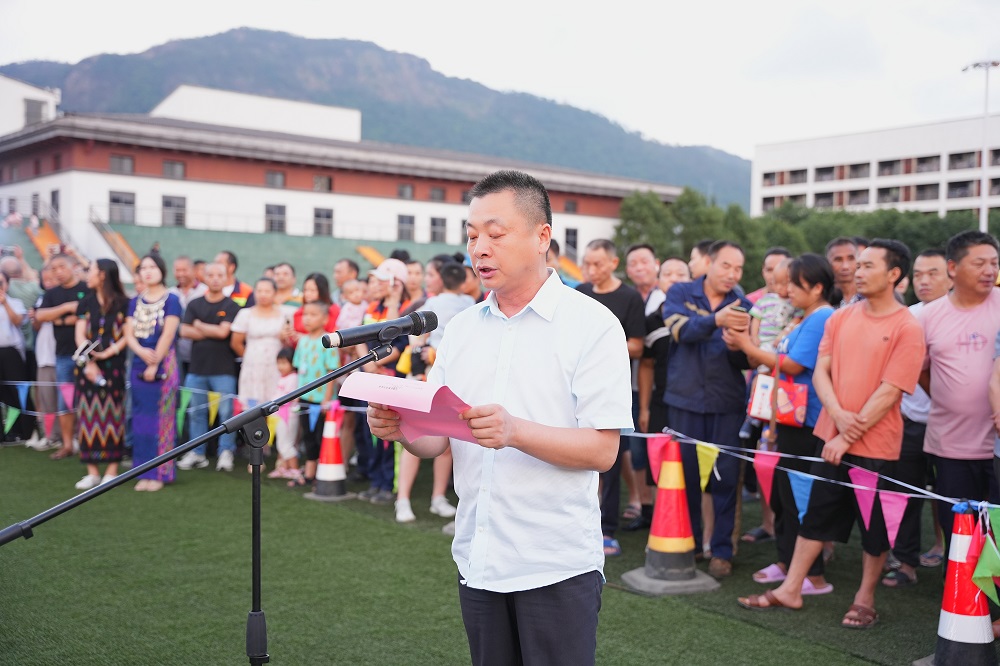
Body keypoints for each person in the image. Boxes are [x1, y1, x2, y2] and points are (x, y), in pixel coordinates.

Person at [368, 170, 632, 666]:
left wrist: (515, 431)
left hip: (554, 563)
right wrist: (403, 429)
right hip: (478, 554)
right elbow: (438, 440)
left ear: (542, 236)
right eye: (472, 236)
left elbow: (602, 450)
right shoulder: (461, 328)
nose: (480, 249)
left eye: (495, 233)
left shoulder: (593, 325)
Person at [738, 240, 925, 630]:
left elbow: (891, 390)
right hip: (831, 436)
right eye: (858, 264)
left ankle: (864, 598)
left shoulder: (907, 325)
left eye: (868, 265)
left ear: (894, 274)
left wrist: (846, 433)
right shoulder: (840, 317)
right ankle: (792, 588)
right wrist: (837, 417)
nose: (858, 271)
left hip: (876, 445)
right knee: (816, 515)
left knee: (874, 527)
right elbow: (821, 371)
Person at [723, 254, 836, 594]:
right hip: (789, 417)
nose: (787, 290)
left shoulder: (821, 317)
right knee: (786, 496)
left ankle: (812, 575)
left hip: (806, 420)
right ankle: (788, 563)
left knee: (800, 498)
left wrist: (746, 345)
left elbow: (791, 365)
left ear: (817, 288)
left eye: (794, 284)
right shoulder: (804, 316)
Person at [662, 240, 752, 578]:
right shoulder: (681, 291)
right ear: (709, 263)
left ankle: (723, 551)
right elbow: (678, 330)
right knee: (685, 477)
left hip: (726, 402)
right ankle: (690, 543)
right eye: (726, 265)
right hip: (684, 399)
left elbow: (745, 361)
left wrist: (740, 346)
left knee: (725, 479)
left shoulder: (743, 306)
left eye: (738, 269)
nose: (732, 274)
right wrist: (716, 320)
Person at [919, 231, 1000, 552]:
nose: (989, 271)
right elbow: (921, 370)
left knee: (996, 537)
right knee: (959, 537)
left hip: (997, 447)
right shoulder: (929, 315)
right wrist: (950, 399)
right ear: (953, 267)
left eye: (994, 263)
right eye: (979, 263)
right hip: (951, 445)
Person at [881, 249, 952, 587]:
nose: (924, 281)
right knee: (905, 492)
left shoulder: (962, 315)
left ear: (951, 275)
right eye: (919, 274)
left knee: (952, 497)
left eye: (933, 273)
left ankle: (954, 563)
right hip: (910, 421)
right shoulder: (907, 316)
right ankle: (906, 562)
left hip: (953, 426)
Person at [577, 239, 645, 556]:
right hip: (576, 387)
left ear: (613, 263)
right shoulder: (579, 292)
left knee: (610, 462)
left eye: (598, 264)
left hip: (613, 388)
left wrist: (601, 344)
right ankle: (580, 523)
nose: (592, 270)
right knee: (577, 456)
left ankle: (608, 530)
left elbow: (638, 346)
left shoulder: (629, 297)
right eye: (587, 263)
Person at [394, 260, 471, 523]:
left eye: (430, 274)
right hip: (429, 375)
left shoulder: (462, 304)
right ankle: (406, 499)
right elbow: (417, 337)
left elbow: (415, 338)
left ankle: (431, 498)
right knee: (417, 435)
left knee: (447, 439)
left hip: (449, 378)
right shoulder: (456, 303)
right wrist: (422, 362)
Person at [124, 254, 182, 492]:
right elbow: (128, 334)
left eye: (152, 267)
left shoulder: (172, 300)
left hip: (163, 364)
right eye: (143, 268)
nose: (147, 271)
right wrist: (140, 352)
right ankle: (143, 471)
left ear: (162, 270)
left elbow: (168, 334)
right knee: (140, 419)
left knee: (161, 419)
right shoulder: (135, 301)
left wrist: (154, 362)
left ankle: (160, 473)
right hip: (138, 363)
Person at [176, 262, 241, 472]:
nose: (215, 279)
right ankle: (197, 452)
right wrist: (212, 330)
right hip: (196, 368)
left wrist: (199, 325)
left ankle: (226, 451)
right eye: (210, 275)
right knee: (196, 413)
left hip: (224, 369)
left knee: (227, 414)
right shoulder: (194, 304)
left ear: (226, 278)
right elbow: (184, 331)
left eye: (219, 275)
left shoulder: (232, 306)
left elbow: (223, 333)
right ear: (204, 277)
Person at [356, 258, 412, 504]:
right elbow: (360, 338)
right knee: (371, 430)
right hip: (371, 375)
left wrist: (375, 363)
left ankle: (388, 484)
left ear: (396, 283)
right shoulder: (372, 307)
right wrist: (368, 364)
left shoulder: (406, 308)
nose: (374, 285)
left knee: (389, 431)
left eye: (381, 280)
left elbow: (398, 343)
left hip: (391, 378)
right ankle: (375, 481)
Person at [71, 259, 129, 490]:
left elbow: (126, 335)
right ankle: (92, 472)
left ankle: (112, 470)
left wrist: (108, 353)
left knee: (113, 415)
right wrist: (90, 361)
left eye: (91, 271)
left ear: (103, 274)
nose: (88, 275)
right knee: (87, 416)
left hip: (114, 367)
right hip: (87, 367)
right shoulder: (85, 302)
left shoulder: (124, 303)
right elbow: (79, 334)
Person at [34, 253, 92, 459]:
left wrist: (58, 319)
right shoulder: (52, 293)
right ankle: (67, 445)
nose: (57, 272)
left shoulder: (87, 288)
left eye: (61, 266)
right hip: (62, 355)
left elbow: (91, 316)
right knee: (65, 403)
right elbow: (41, 316)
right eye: (53, 268)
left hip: (89, 355)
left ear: (74, 266)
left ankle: (88, 441)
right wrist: (67, 309)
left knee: (90, 400)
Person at [290, 302, 339, 487]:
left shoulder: (329, 342)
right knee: (307, 436)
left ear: (325, 319)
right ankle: (310, 473)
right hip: (305, 399)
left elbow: (332, 372)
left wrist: (327, 399)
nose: (307, 318)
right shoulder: (302, 341)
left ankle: (321, 473)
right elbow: (299, 371)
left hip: (322, 401)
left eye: (313, 314)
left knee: (321, 437)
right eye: (305, 314)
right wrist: (297, 395)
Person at [230, 278, 286, 407]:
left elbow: (286, 342)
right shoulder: (245, 314)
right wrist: (250, 357)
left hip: (275, 364)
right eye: (259, 291)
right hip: (252, 364)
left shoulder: (283, 315)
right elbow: (236, 342)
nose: (263, 294)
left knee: (274, 402)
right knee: (251, 404)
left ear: (274, 293)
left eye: (267, 291)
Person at [0, 270, 29, 443]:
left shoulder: (15, 302)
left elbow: (18, 321)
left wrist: (5, 303)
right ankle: (5, 432)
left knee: (17, 391)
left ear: (7, 284)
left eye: (1, 282)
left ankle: (23, 430)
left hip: (11, 352)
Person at [168, 256, 207, 381]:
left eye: (184, 270)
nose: (181, 274)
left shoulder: (205, 292)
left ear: (193, 270)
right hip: (175, 354)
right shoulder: (170, 293)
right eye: (177, 270)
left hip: (200, 356)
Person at [268, 348, 301, 480]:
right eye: (278, 363)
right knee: (283, 443)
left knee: (285, 444)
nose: (280, 367)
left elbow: (288, 398)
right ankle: (284, 467)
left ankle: (295, 469)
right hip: (279, 415)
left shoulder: (293, 378)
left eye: (284, 363)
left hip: (287, 415)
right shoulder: (283, 378)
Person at [288, 273, 340, 347]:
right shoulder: (299, 312)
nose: (308, 294)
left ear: (322, 291)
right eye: (305, 290)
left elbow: (333, 338)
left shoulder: (333, 311)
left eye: (312, 290)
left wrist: (305, 338)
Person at [825, 237, 859, 306]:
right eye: (838, 260)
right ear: (828, 263)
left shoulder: (871, 296)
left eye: (851, 259)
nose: (845, 266)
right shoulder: (822, 300)